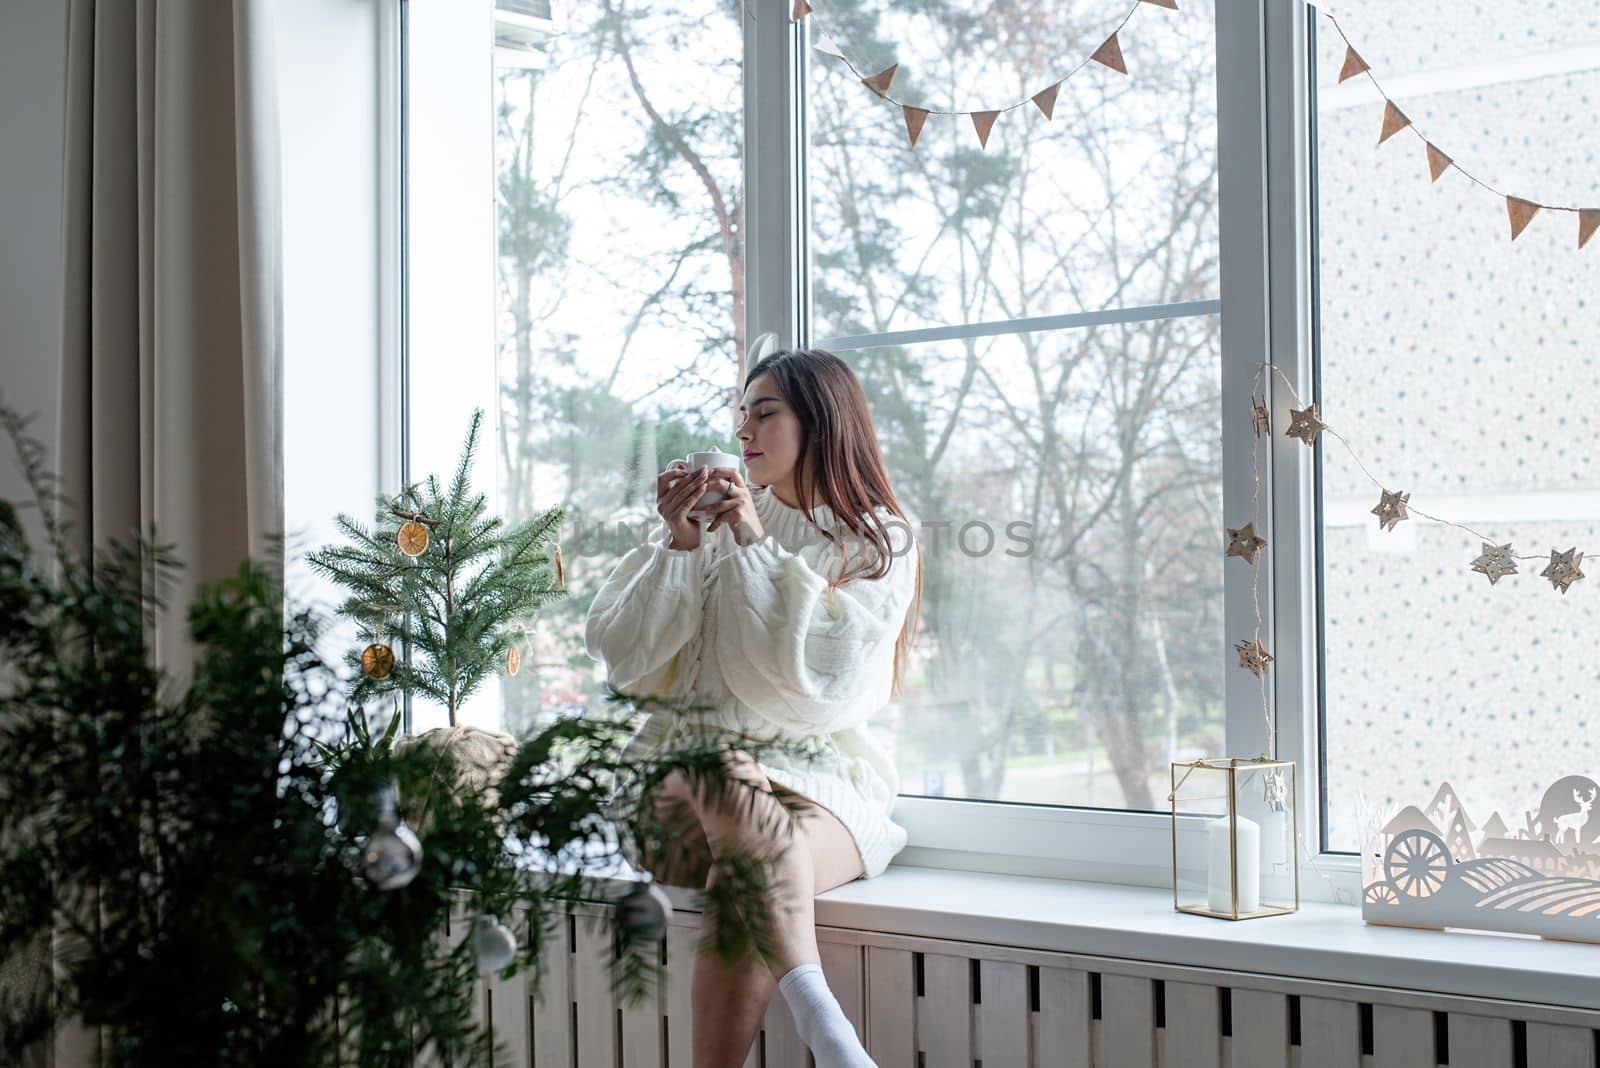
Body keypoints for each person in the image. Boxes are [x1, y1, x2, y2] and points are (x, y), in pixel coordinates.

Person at [585, 348, 923, 1067]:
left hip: (816, 780)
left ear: (823, 422)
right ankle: (825, 1023)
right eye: (740, 414)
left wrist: (754, 543)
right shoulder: (708, 517)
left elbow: (827, 676)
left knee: (750, 884)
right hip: (683, 778)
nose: (744, 430)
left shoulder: (877, 538)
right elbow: (625, 656)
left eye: (764, 412)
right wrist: (679, 544)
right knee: (719, 762)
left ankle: (818, 1036)